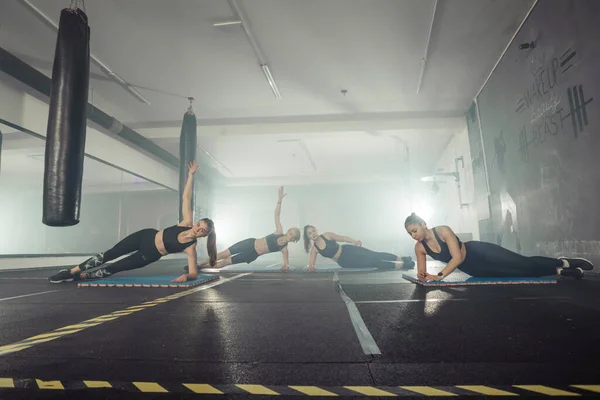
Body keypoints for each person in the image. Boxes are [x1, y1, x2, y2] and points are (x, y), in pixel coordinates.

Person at [49, 161, 217, 284]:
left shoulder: (190, 248)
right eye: (198, 225)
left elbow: (194, 272)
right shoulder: (186, 222)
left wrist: (186, 276)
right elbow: (186, 197)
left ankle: (81, 277)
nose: (197, 230)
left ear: (204, 235)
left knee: (116, 267)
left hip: (149, 254)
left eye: (202, 231)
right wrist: (191, 175)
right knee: (109, 254)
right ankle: (71, 271)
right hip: (145, 236)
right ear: (195, 223)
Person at [404, 212, 594, 282]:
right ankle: (563, 272)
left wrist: (438, 276)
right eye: (410, 234)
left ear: (423, 223)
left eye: (414, 230)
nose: (414, 235)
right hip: (474, 269)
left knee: (523, 264)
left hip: (479, 252)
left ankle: (566, 262)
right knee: (518, 274)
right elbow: (422, 275)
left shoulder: (443, 231)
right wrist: (424, 276)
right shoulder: (419, 248)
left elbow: (457, 258)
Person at [193, 186, 300, 272]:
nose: (291, 236)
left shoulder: (284, 249)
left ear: (294, 240)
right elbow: (277, 215)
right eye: (291, 233)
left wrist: (285, 266)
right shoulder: (279, 231)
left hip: (252, 254)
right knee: (222, 254)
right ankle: (197, 264)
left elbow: (286, 263)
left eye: (293, 237)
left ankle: (201, 268)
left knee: (223, 263)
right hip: (249, 243)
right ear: (288, 231)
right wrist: (279, 200)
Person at [303, 225, 415, 271]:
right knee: (373, 263)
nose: (313, 234)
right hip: (344, 261)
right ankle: (403, 265)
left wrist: (354, 241)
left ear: (316, 231)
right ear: (308, 237)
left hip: (349, 250)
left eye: (313, 231)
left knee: (375, 255)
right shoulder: (314, 250)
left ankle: (402, 258)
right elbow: (311, 265)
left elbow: (342, 238)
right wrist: (311, 267)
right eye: (310, 233)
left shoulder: (327, 235)